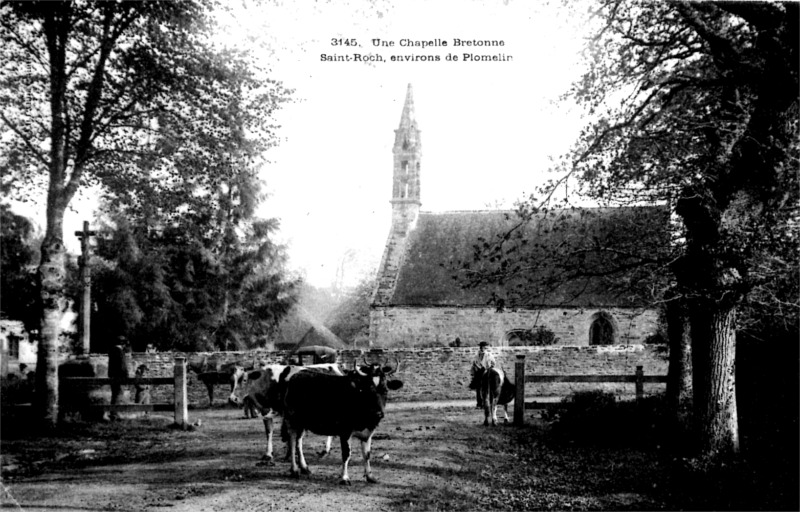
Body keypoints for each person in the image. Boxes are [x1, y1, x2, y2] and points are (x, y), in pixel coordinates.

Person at [469, 342, 496, 408]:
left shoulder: (489, 355)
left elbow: (493, 363)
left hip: (486, 373)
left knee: (486, 389)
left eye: (483, 347)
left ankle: (486, 403)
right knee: (478, 389)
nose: (482, 348)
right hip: (478, 373)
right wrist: (473, 373)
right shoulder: (476, 355)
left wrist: (489, 369)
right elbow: (473, 364)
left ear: (485, 347)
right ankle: (479, 403)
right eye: (481, 347)